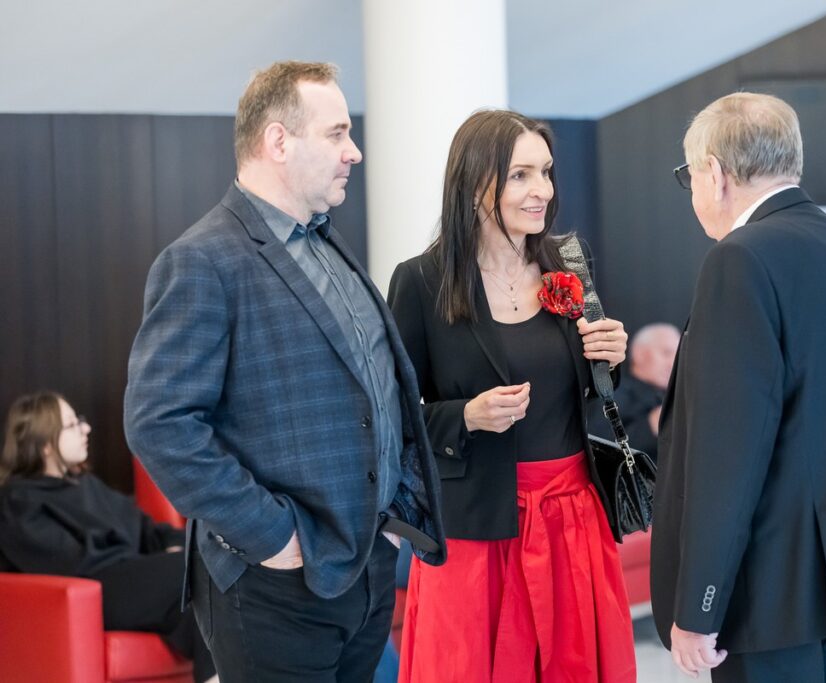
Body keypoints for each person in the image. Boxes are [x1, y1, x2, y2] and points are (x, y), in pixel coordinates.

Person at [123, 61, 445, 683]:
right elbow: (159, 423)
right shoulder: (200, 260)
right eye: (336, 134)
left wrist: (394, 518)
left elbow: (373, 391)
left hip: (364, 565)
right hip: (275, 583)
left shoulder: (326, 243)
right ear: (278, 141)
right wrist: (272, 537)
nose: (354, 152)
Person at [650, 92, 826, 682]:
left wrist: (699, 604)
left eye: (689, 175)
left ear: (715, 174)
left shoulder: (739, 259)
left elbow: (728, 453)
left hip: (767, 586)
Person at [387, 109, 636, 682]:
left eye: (545, 172)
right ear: (477, 183)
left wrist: (609, 357)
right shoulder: (421, 282)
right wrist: (466, 416)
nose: (542, 191)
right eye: (521, 175)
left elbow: (589, 390)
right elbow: (393, 420)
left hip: (572, 519)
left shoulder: (568, 263)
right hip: (476, 532)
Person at [0, 392, 216, 683]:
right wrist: (157, 562)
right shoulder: (18, 500)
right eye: (72, 424)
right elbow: (67, 563)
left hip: (129, 578)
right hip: (95, 589)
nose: (85, 429)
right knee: (196, 570)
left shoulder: (88, 486)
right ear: (45, 442)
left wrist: (172, 545)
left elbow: (150, 530)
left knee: (211, 578)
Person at [587, 322, 680, 459]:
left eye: (677, 356)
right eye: (666, 353)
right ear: (640, 354)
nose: (672, 363)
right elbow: (597, 446)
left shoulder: (669, 396)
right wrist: (651, 425)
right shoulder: (613, 393)